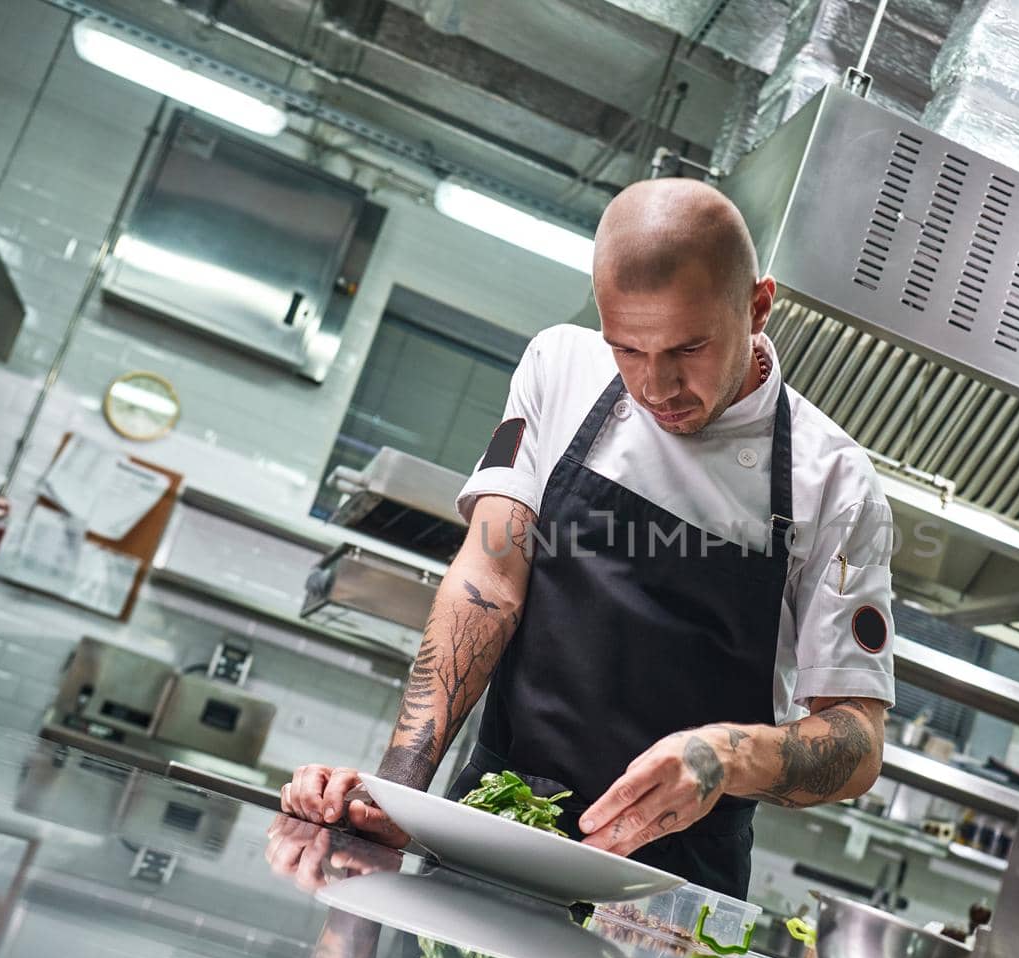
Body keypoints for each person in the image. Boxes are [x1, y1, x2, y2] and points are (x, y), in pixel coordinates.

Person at [280, 177, 897, 904]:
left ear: (759, 307)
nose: (656, 385)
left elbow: (855, 743)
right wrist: (399, 791)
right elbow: (487, 583)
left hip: (668, 892)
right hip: (489, 835)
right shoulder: (561, 368)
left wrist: (724, 755)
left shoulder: (834, 483)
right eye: (628, 349)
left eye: (688, 348)